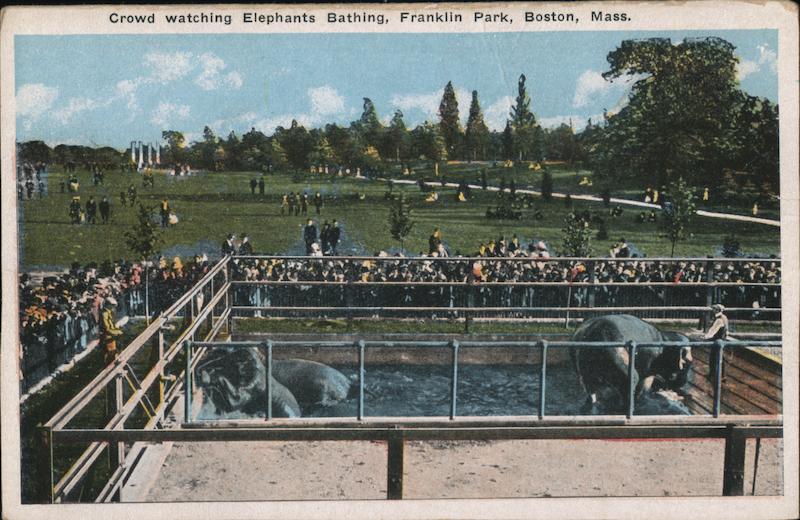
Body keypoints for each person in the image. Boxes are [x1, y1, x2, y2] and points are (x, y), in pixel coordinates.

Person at [100, 297, 124, 365]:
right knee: (109, 356)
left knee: (113, 354)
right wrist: (117, 332)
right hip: (107, 337)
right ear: (108, 305)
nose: (113, 307)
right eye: (112, 305)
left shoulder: (109, 312)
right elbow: (107, 328)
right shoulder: (104, 314)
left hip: (111, 336)